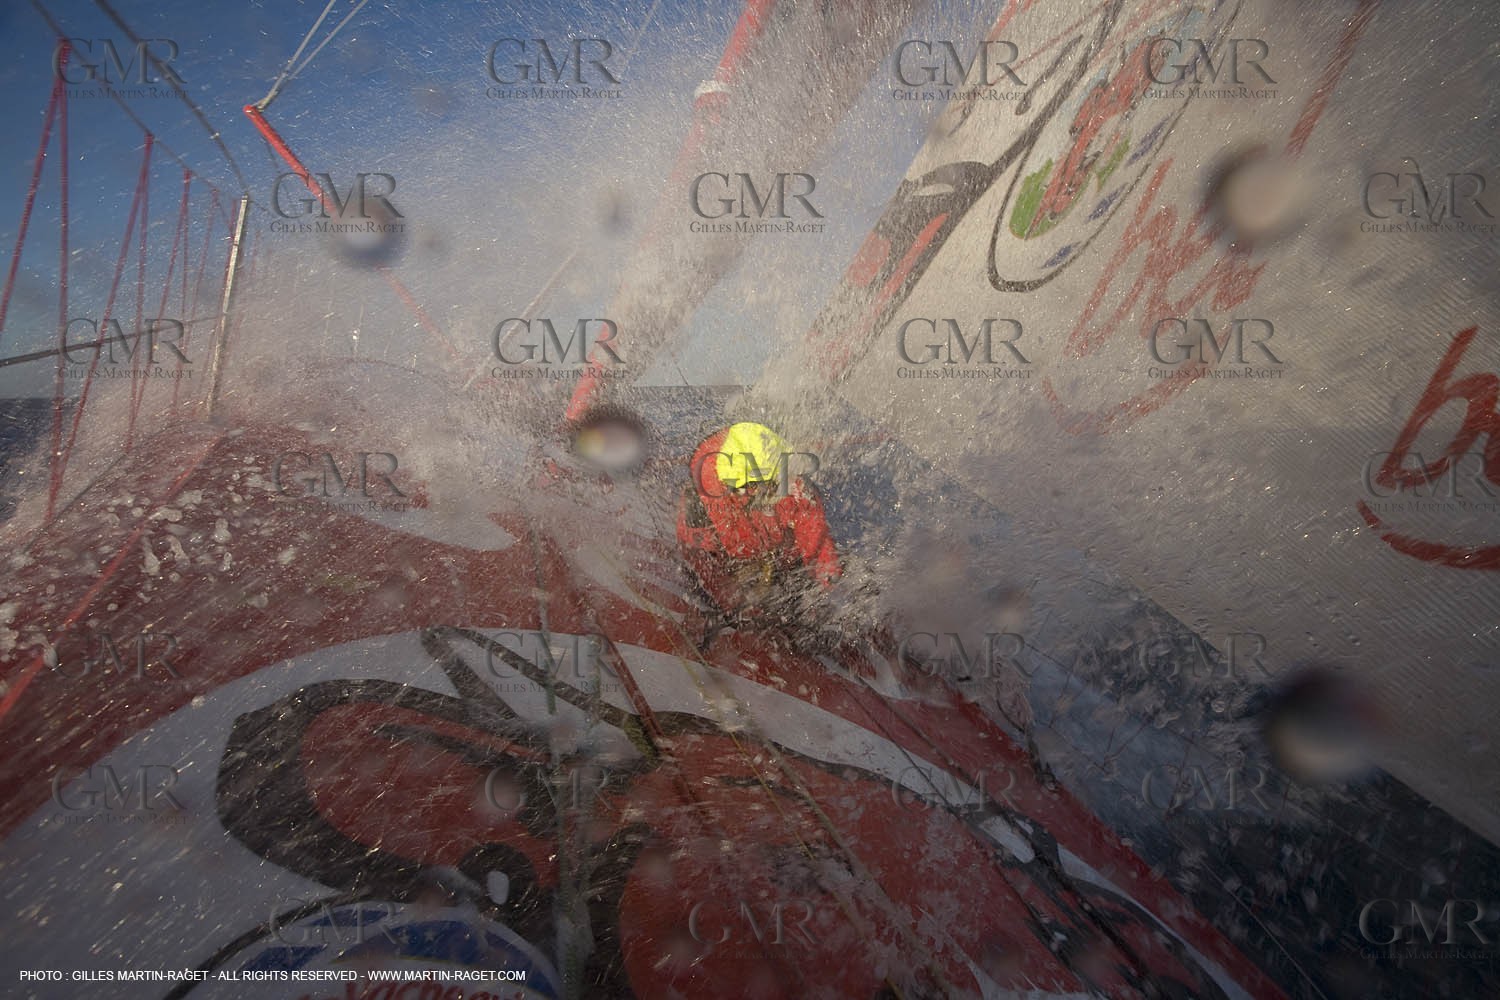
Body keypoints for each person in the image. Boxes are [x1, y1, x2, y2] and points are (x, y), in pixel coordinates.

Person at [676, 422, 840, 632]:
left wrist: (831, 585)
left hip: (779, 559)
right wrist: (734, 602)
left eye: (774, 484)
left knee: (801, 602)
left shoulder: (795, 488)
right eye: (755, 488)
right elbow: (700, 560)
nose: (769, 493)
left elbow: (817, 540)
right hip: (730, 568)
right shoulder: (700, 507)